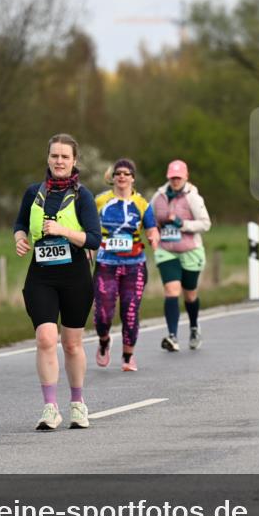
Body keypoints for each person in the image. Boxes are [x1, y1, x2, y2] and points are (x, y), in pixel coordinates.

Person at [13, 134, 101, 430]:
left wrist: (63, 231)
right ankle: (50, 407)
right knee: (46, 337)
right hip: (41, 276)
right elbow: (20, 223)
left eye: (65, 157)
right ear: (47, 158)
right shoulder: (33, 192)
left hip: (75, 276)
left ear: (74, 161)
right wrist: (20, 238)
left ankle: (77, 403)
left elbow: (94, 239)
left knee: (72, 344)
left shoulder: (83, 196)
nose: (59, 161)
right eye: (54, 156)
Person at [93, 159, 160, 372]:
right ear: (112, 178)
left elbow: (151, 228)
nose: (122, 176)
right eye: (118, 173)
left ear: (133, 178)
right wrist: (88, 249)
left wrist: (154, 238)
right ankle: (104, 340)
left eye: (126, 173)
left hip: (134, 264)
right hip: (106, 263)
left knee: (130, 312)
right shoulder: (100, 201)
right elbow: (89, 229)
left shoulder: (142, 204)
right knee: (103, 313)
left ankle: (128, 356)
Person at [150, 160, 212, 350]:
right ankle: (172, 336)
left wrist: (181, 223)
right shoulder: (158, 197)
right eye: (172, 177)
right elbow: (150, 220)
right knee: (171, 291)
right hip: (166, 251)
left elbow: (205, 224)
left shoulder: (193, 197)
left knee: (190, 294)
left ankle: (194, 327)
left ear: (186, 177)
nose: (175, 181)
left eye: (178, 177)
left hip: (190, 251)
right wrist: (156, 227)